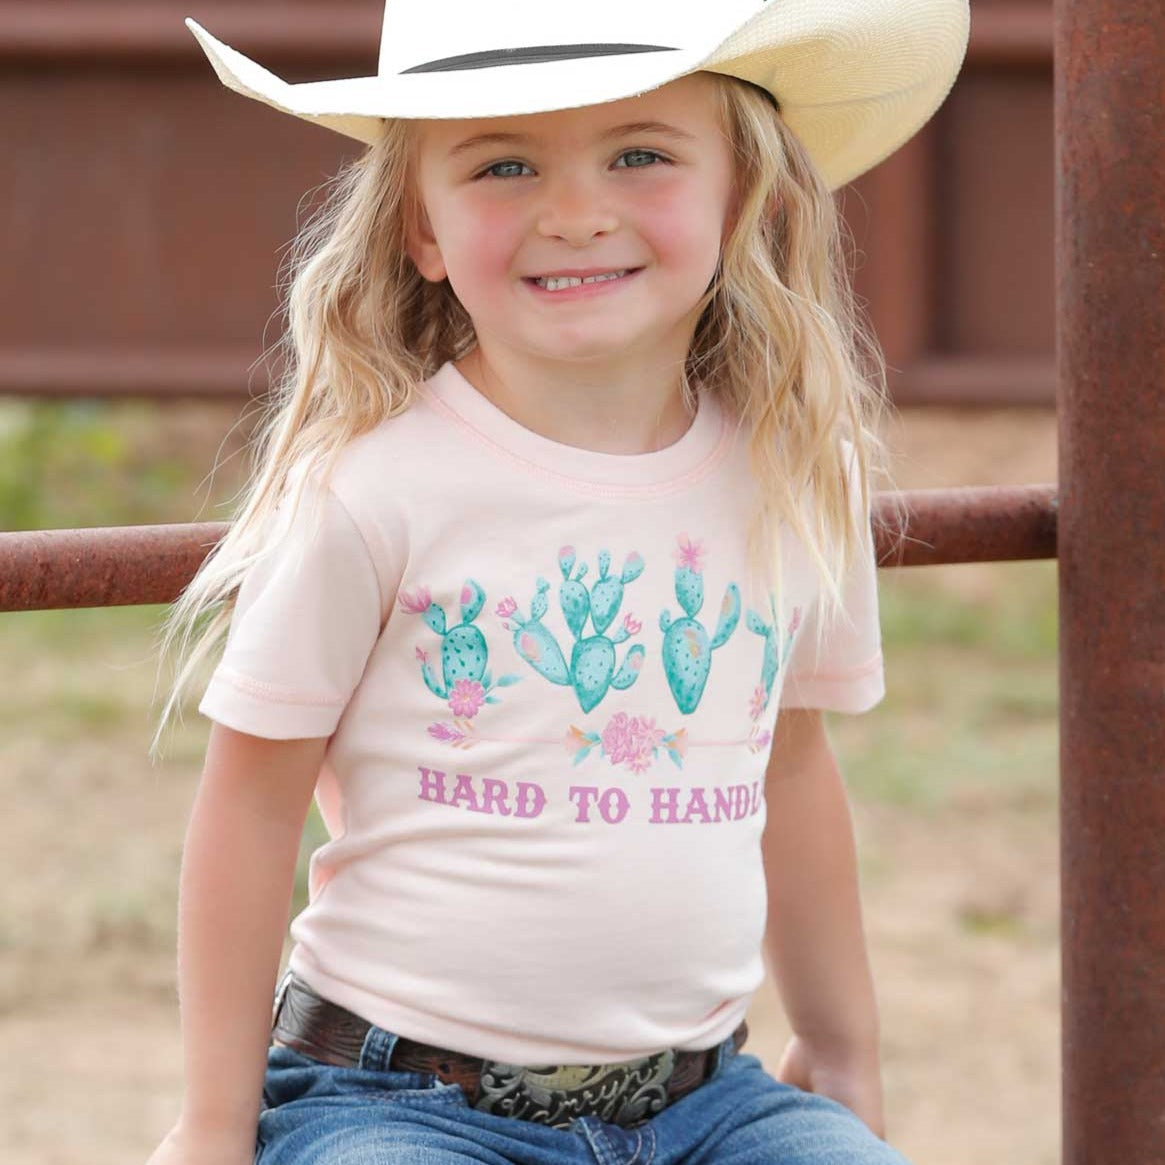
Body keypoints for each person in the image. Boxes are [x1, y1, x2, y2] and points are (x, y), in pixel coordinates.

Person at [147, 2, 968, 1162]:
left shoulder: (794, 475)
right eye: (504, 164)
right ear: (419, 232)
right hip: (399, 1102)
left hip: (706, 1100)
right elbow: (249, 801)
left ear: (746, 200)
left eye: (640, 154)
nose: (575, 213)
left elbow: (791, 766)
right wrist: (213, 1122)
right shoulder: (375, 490)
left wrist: (841, 1049)